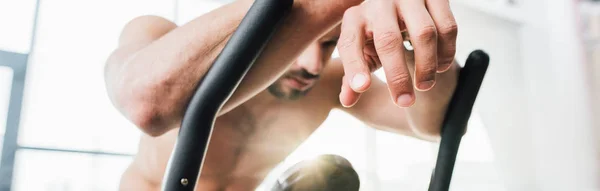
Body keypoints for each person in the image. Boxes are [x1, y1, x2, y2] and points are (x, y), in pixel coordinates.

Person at [104, 0, 459, 190]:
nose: (312, 65)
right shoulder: (164, 38)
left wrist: (412, 39)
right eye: (299, 41)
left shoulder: (327, 85)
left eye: (328, 42)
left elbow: (432, 125)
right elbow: (147, 103)